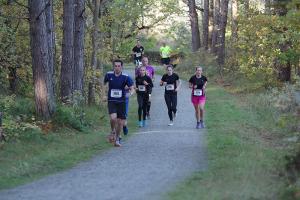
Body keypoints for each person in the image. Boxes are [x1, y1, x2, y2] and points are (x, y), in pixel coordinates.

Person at [104, 59, 134, 147]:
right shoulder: (109, 74)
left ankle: (117, 140)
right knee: (113, 118)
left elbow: (132, 87)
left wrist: (130, 93)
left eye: (119, 66)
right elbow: (104, 84)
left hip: (122, 101)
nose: (117, 68)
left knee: (120, 122)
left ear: (122, 67)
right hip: (112, 100)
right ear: (113, 66)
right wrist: (104, 94)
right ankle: (112, 131)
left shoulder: (126, 76)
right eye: (115, 66)